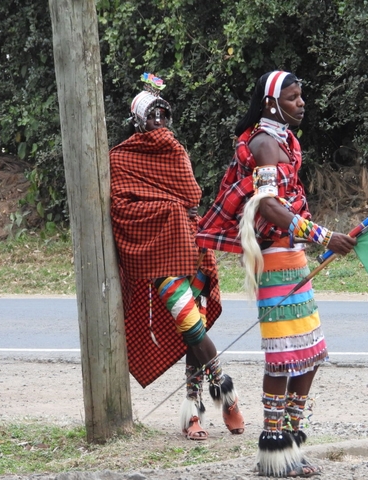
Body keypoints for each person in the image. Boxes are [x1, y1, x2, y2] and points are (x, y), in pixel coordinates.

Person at [197, 70, 356, 477]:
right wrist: (323, 235)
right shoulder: (263, 143)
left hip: (293, 256)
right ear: (271, 104)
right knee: (284, 359)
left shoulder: (285, 140)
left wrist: (316, 239)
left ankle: (292, 443)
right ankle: (273, 450)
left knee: (310, 355)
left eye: (301, 97)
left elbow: (286, 203)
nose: (301, 103)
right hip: (274, 261)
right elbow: (268, 206)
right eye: (292, 98)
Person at [109, 73, 245, 441]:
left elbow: (191, 193)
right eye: (152, 117)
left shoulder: (175, 149)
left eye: (163, 115)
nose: (159, 123)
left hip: (193, 249)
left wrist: (174, 208)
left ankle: (193, 410)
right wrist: (167, 211)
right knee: (192, 327)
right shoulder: (121, 158)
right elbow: (120, 210)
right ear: (138, 121)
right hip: (159, 254)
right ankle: (228, 393)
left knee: (192, 335)